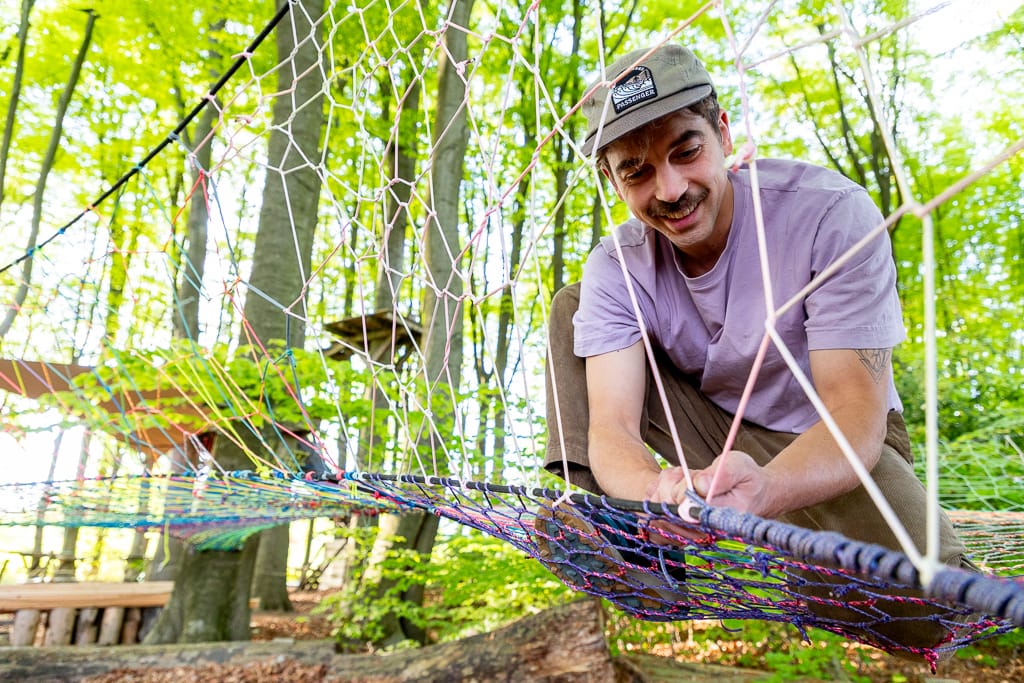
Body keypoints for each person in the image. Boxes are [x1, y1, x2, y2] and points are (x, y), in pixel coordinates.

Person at [539, 42, 975, 653]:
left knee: (932, 609)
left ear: (723, 133)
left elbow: (854, 410)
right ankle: (622, 536)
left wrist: (764, 490)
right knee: (572, 304)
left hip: (834, 439)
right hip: (709, 432)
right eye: (636, 171)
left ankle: (790, 553)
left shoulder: (830, 215)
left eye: (685, 151)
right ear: (610, 180)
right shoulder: (618, 266)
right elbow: (610, 426)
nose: (669, 188)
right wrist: (658, 490)